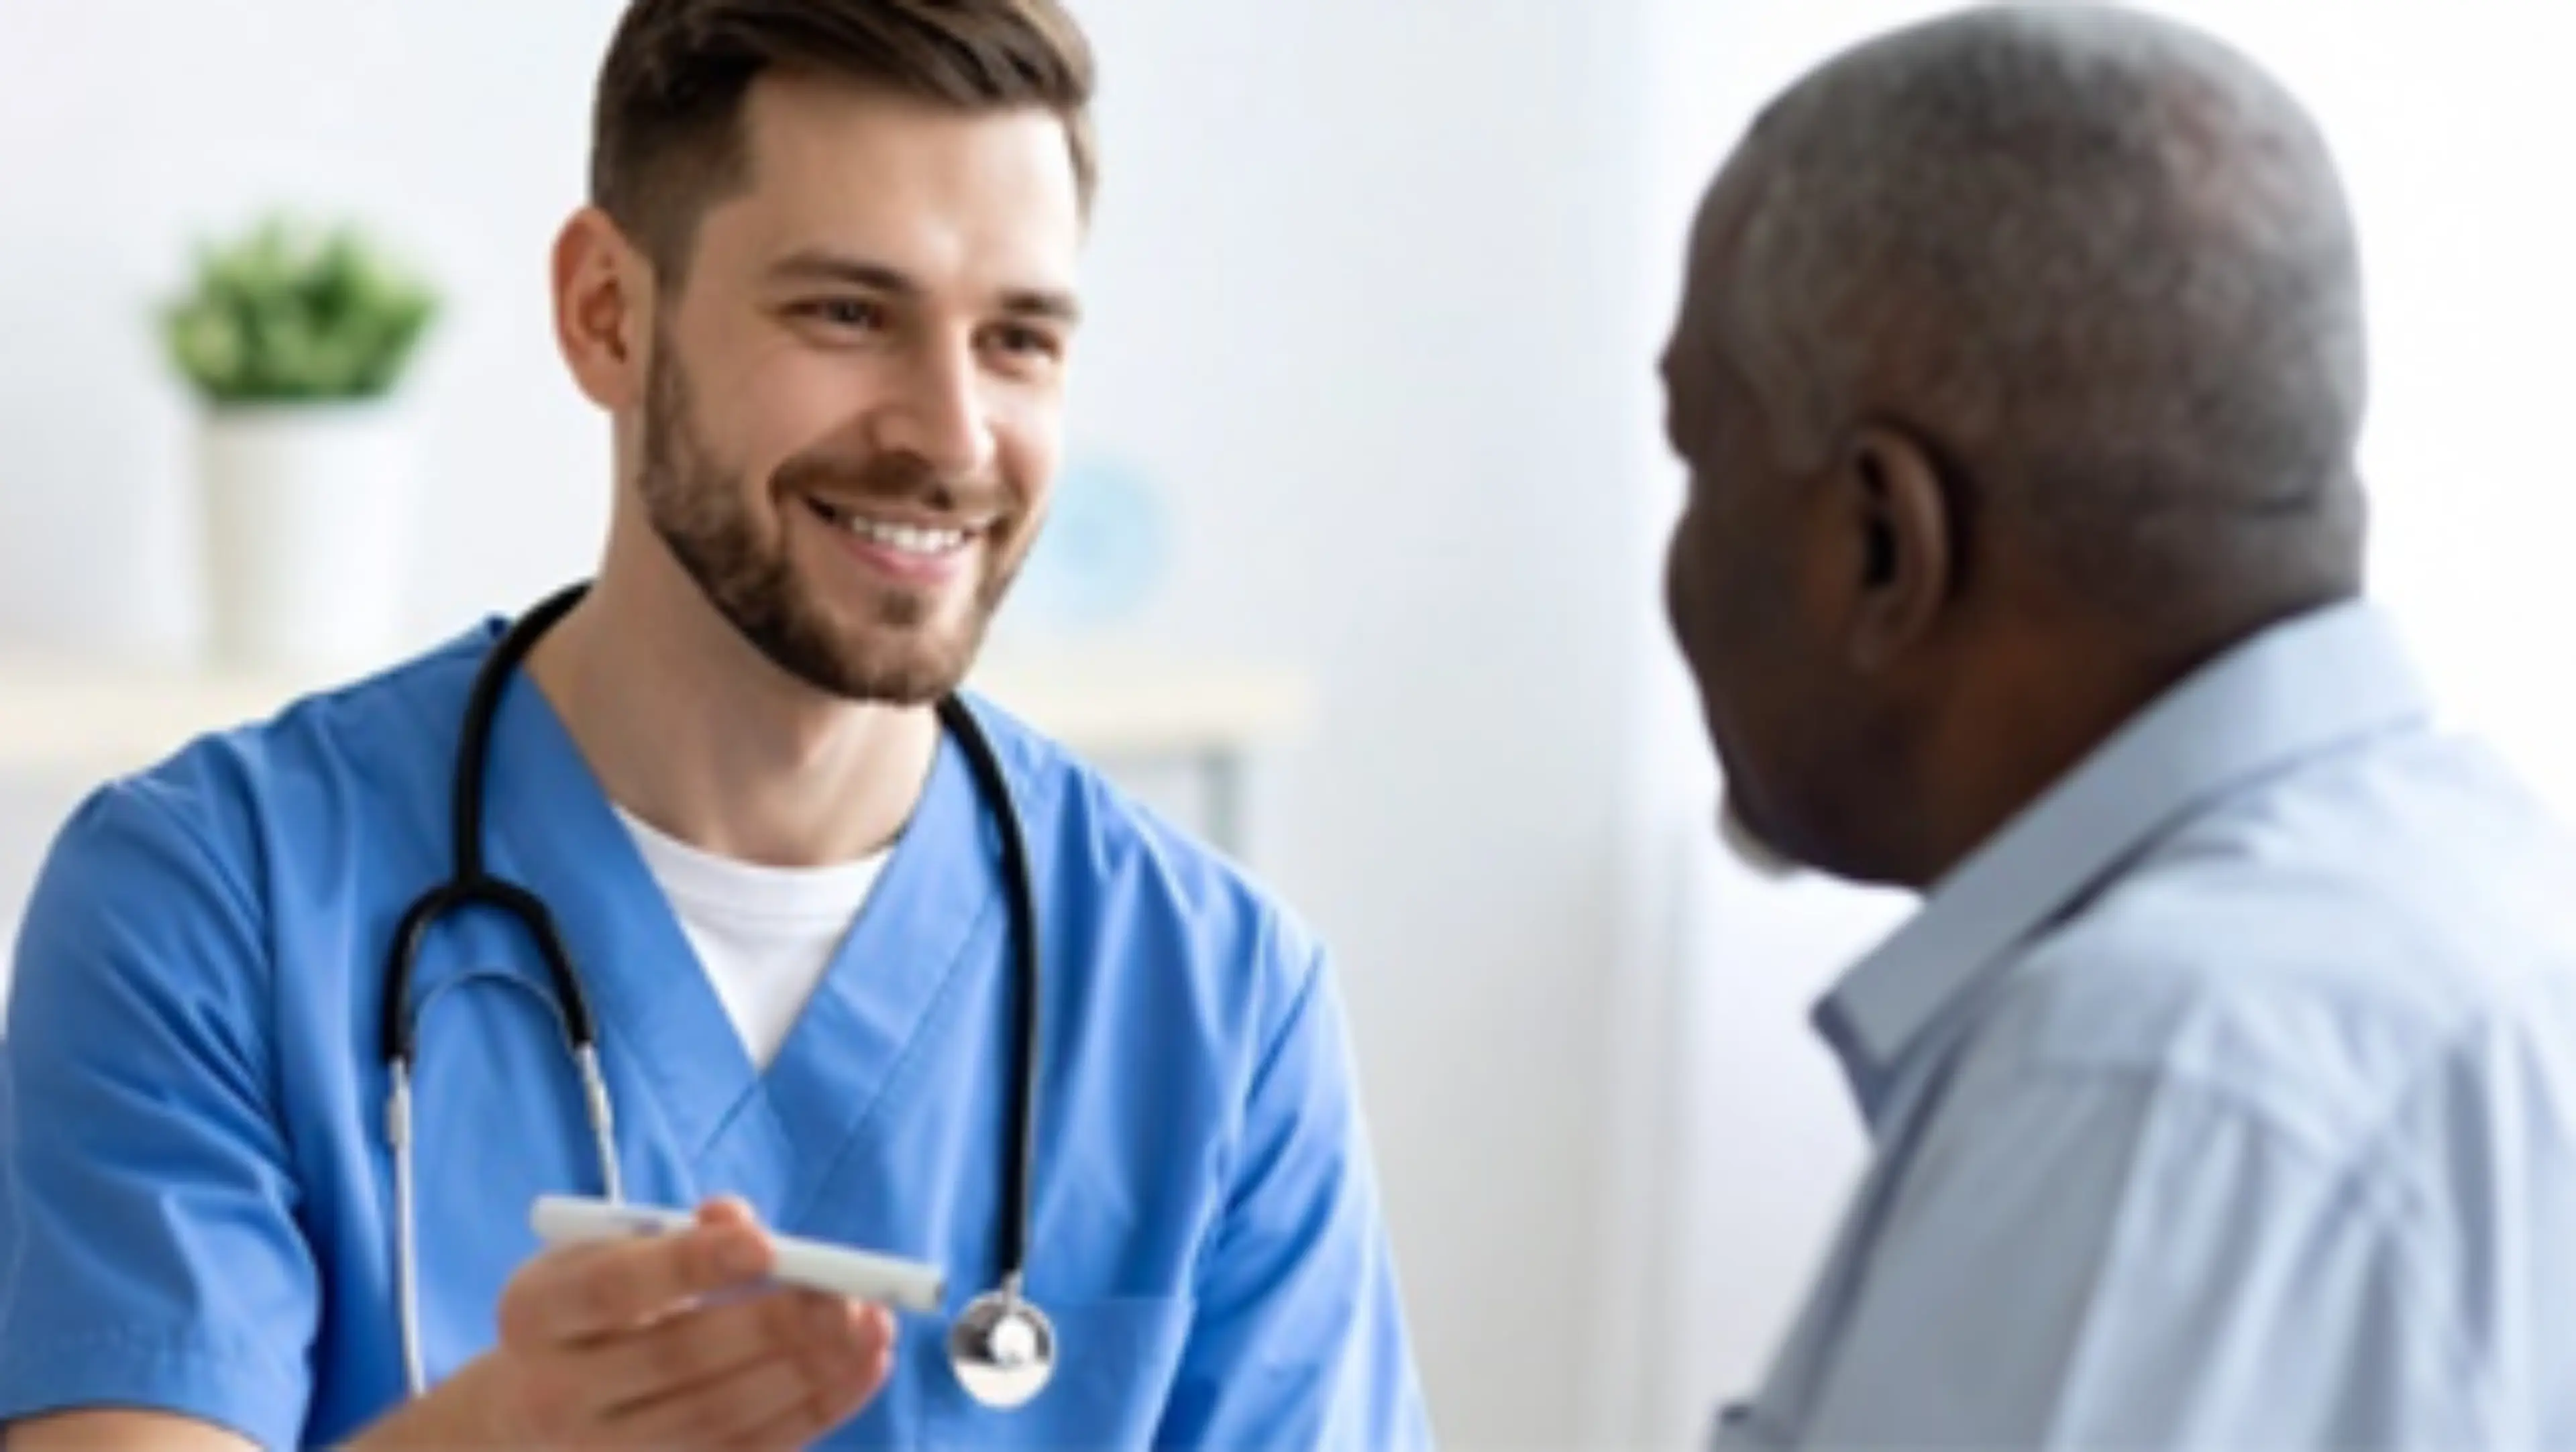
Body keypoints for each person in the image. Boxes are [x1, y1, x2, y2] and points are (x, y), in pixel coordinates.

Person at [0, 1, 1430, 1447]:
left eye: (1017, 339)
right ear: (607, 313)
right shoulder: (211, 904)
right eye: (849, 313)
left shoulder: (1219, 1005)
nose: (950, 435)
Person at [1658, 4, 2576, 1447]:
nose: (1684, 560)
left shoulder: (2147, 1076)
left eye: (1696, 460)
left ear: (1884, 543)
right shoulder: (2494, 900)